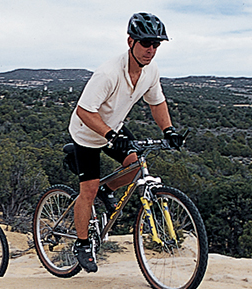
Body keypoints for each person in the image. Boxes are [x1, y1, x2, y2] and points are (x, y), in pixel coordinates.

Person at [68, 12, 185, 273]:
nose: (151, 50)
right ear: (131, 41)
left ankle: (106, 189)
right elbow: (84, 112)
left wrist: (169, 130)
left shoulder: (150, 71)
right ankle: (83, 244)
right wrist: (110, 136)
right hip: (87, 133)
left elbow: (157, 102)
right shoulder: (108, 73)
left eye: (156, 45)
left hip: (114, 129)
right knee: (87, 190)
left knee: (135, 167)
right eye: (146, 43)